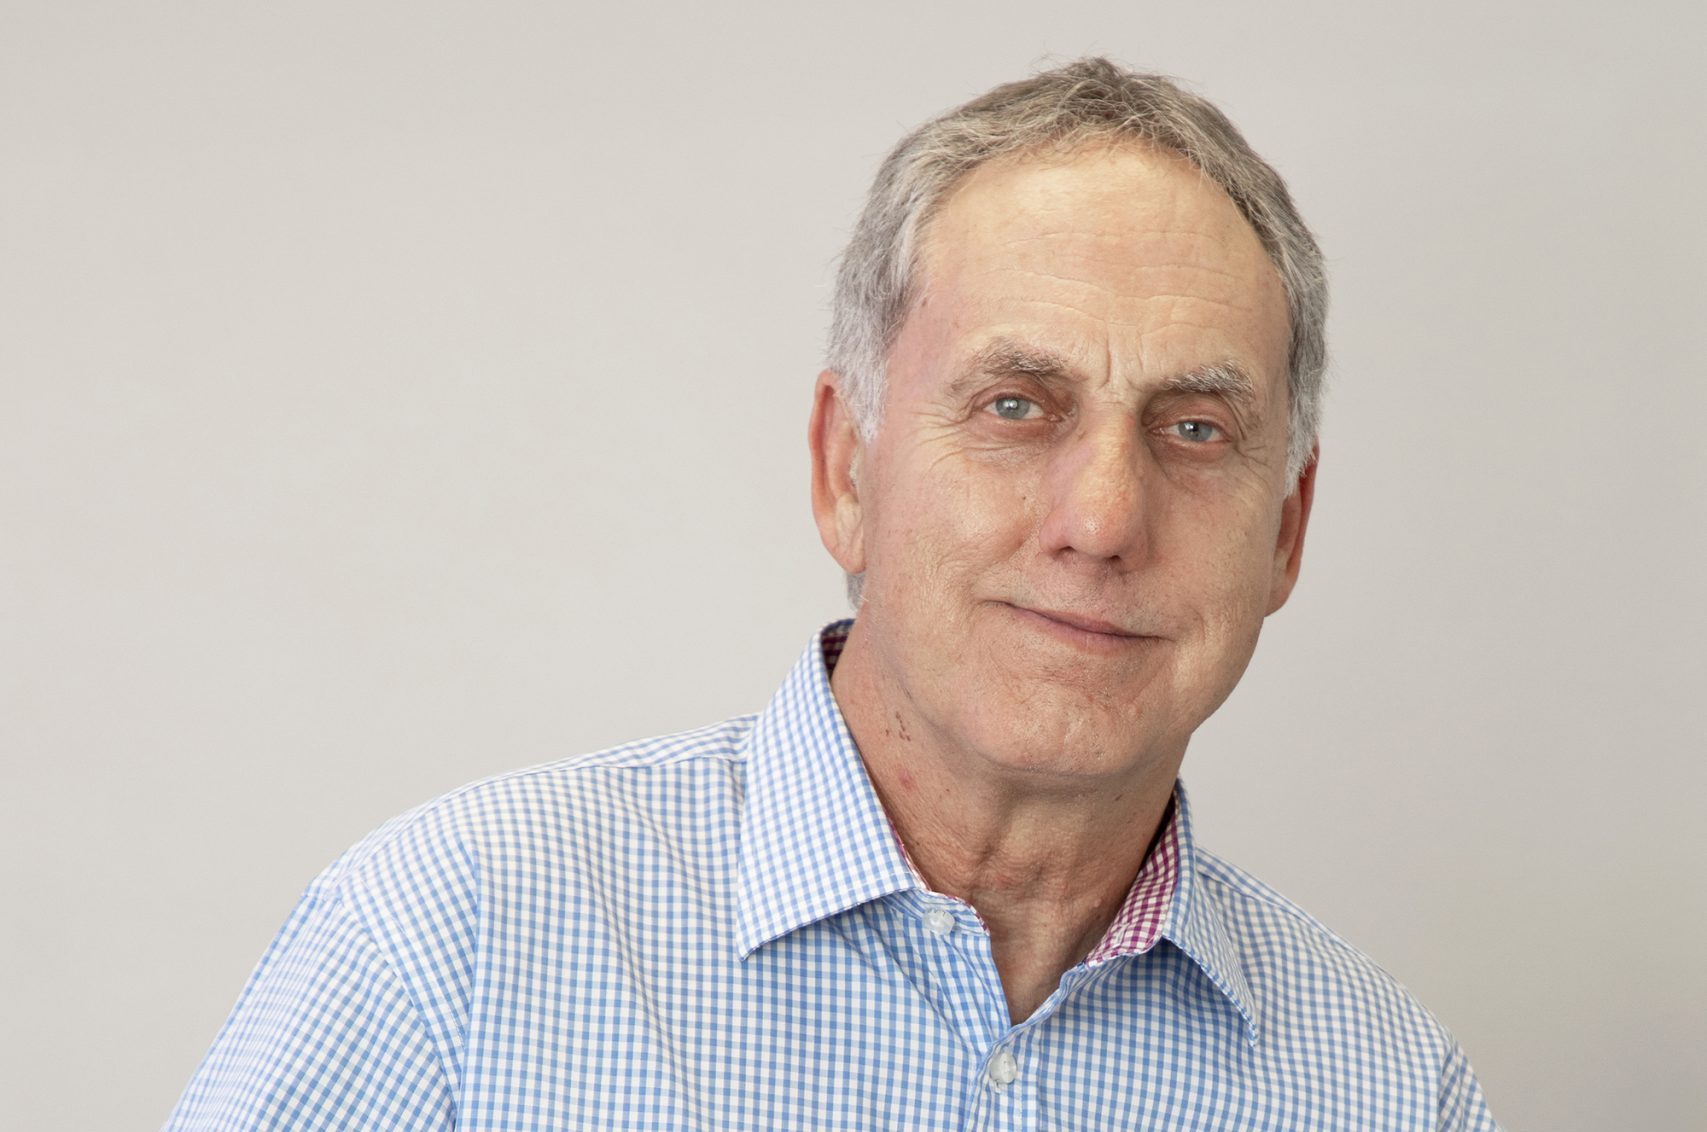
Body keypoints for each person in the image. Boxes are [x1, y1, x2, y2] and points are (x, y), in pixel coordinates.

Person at [166, 58, 1499, 1129]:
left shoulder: (1390, 1093)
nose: (1101, 521)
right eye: (1016, 405)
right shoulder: (451, 948)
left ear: (1287, 531)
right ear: (843, 469)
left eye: (1195, 429)